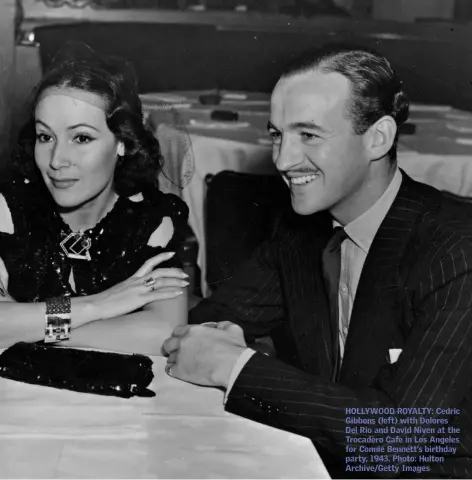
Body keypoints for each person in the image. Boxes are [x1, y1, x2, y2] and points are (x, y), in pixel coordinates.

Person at [163, 45, 472, 478]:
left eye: (308, 135)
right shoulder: (301, 232)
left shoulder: (456, 247)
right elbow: (213, 317)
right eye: (277, 134)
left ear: (378, 138)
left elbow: (402, 439)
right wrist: (223, 335)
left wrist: (236, 365)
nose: (283, 160)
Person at [0, 43, 189, 356]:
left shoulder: (152, 220)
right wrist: (97, 305)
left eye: (82, 138)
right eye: (45, 137)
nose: (57, 160)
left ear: (122, 143)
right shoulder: (8, 209)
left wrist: (29, 325)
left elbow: (163, 334)